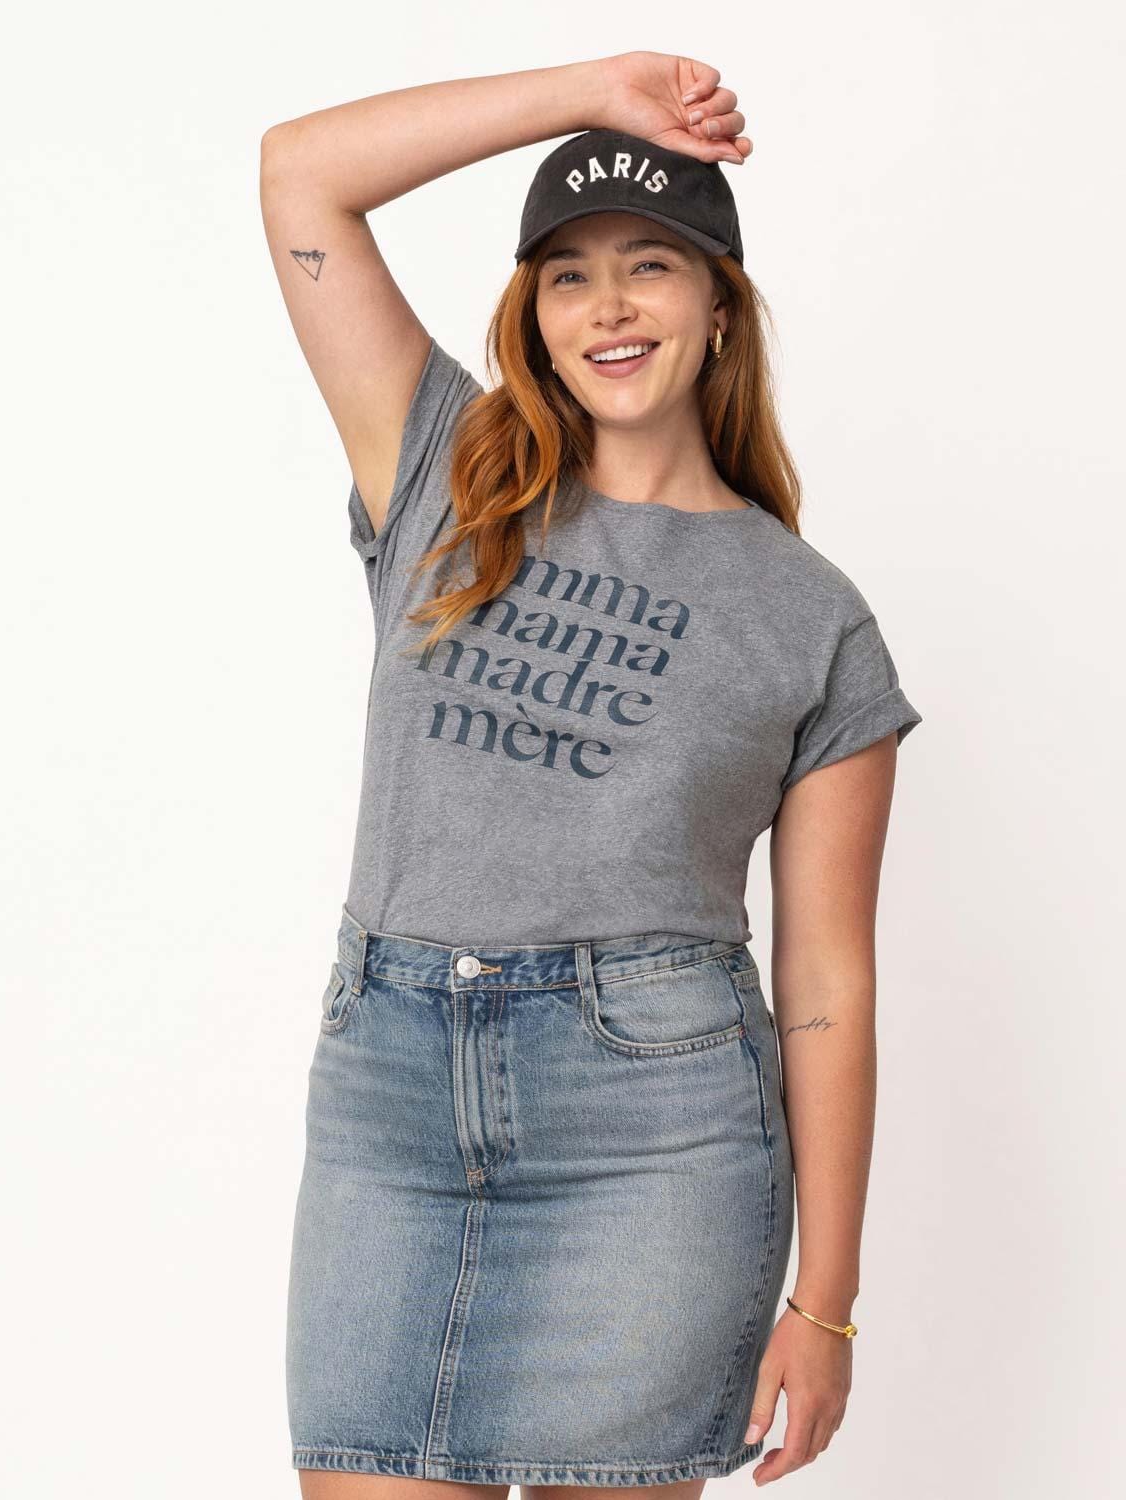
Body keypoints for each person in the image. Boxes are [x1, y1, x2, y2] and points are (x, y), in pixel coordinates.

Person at [260, 50, 922, 1499]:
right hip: (390, 1106)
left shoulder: (813, 618)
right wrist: (591, 101)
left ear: (719, 309)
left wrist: (827, 1303)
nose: (610, 306)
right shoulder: (443, 471)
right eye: (567, 276)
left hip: (658, 1133)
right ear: (535, 319)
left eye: (650, 268)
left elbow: (827, 984)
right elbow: (302, 171)